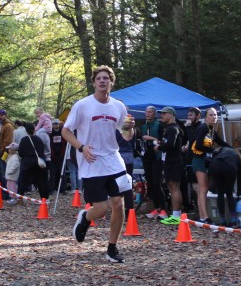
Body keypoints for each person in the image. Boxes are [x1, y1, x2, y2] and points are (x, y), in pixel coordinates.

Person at [61, 65, 134, 263]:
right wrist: (81, 147)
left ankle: (112, 248)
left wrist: (130, 129)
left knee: (118, 203)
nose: (102, 81)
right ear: (94, 82)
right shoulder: (83, 105)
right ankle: (85, 217)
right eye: (99, 78)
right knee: (101, 210)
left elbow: (126, 136)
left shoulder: (118, 106)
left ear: (111, 82)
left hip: (114, 160)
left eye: (106, 78)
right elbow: (66, 131)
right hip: (92, 161)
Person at [155, 106, 185, 223]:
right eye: (161, 113)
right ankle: (176, 215)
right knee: (173, 188)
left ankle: (176, 216)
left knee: (174, 188)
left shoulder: (173, 128)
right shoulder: (170, 128)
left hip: (174, 162)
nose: (161, 115)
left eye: (164, 113)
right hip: (171, 161)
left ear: (171, 115)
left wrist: (159, 147)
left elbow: (170, 145)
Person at [190, 107, 220, 222]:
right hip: (199, 159)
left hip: (205, 160)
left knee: (204, 188)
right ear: (206, 117)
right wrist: (213, 150)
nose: (214, 117)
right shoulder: (203, 127)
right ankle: (204, 216)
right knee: (203, 188)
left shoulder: (211, 129)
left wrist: (232, 150)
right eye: (211, 115)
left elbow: (220, 141)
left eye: (215, 115)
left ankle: (203, 216)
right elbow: (198, 145)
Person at [139, 106, 166, 219]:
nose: (148, 114)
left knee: (157, 183)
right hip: (146, 155)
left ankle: (163, 209)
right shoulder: (143, 126)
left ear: (154, 114)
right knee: (150, 183)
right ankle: (156, 208)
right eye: (146, 112)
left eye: (150, 112)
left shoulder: (159, 125)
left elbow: (162, 140)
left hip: (157, 155)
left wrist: (150, 138)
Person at [209, 142, 241, 227]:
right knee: (229, 194)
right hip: (229, 168)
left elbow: (213, 155)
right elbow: (240, 177)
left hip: (215, 165)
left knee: (220, 193)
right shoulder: (238, 157)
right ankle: (233, 220)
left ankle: (222, 220)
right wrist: (239, 192)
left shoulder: (222, 149)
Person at [17, 123, 49, 200]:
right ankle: (44, 198)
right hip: (37, 162)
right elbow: (42, 151)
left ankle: (20, 197)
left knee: (23, 181)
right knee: (41, 181)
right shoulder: (38, 139)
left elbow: (20, 152)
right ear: (34, 130)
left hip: (26, 162)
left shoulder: (24, 140)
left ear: (26, 131)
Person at [0, 110, 14, 198]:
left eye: (2, 115)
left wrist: (1, 151)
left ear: (6, 115)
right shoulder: (1, 126)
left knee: (3, 173)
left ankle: (6, 193)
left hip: (3, 153)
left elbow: (7, 141)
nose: (0, 117)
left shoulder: (8, 126)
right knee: (0, 173)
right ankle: (1, 192)